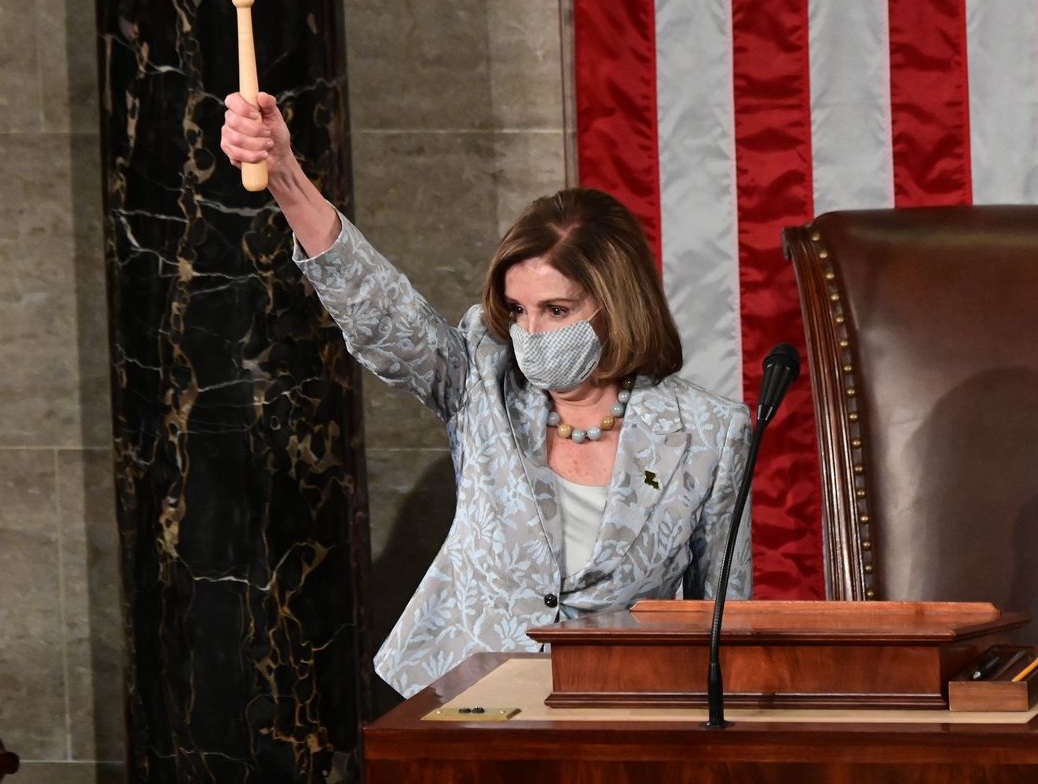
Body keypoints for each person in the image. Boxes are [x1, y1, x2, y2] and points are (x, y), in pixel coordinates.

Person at [221, 92, 753, 697]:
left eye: (557, 310)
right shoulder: (481, 375)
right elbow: (379, 313)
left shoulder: (712, 432)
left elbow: (722, 618)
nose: (531, 333)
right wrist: (286, 176)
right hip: (472, 700)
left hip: (623, 709)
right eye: (518, 309)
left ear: (617, 304)